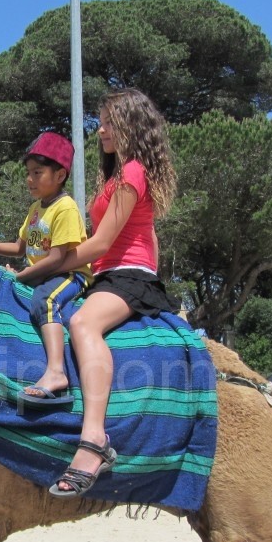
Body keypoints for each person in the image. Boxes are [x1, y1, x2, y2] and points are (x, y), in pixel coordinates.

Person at [48, 88, 180, 498]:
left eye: (108, 121)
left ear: (131, 126)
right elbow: (151, 232)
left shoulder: (134, 172)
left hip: (126, 274)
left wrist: (52, 264)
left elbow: (103, 243)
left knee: (82, 321)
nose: (100, 129)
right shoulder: (118, 176)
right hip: (113, 274)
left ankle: (94, 440)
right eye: (100, 121)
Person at [0, 131, 93, 406]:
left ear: (60, 175)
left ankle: (56, 371)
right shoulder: (35, 208)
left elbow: (57, 258)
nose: (29, 179)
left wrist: (18, 277)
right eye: (28, 173)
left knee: (45, 300)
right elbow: (20, 248)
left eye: (37, 172)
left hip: (68, 275)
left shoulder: (65, 208)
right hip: (42, 274)